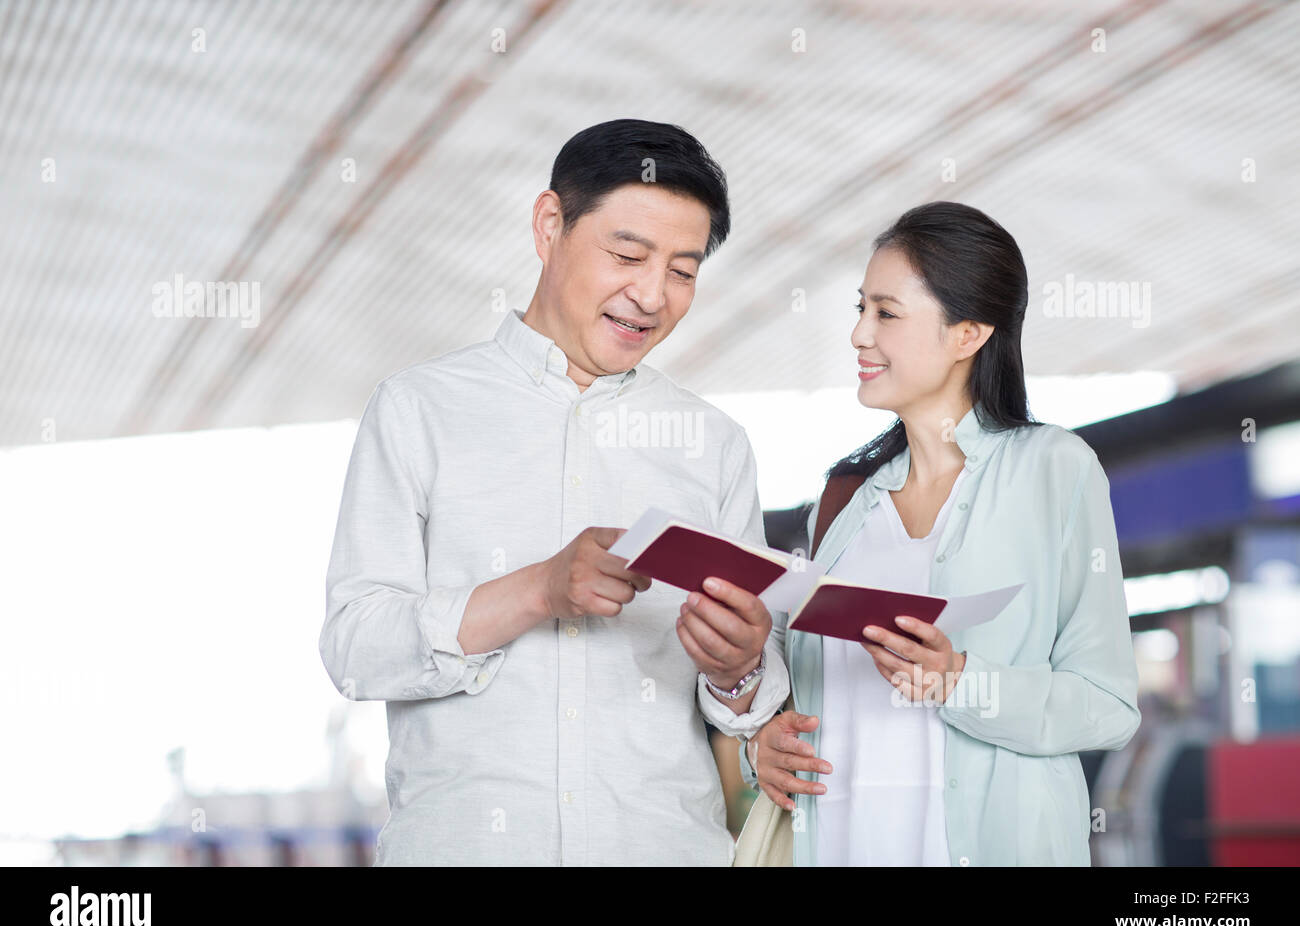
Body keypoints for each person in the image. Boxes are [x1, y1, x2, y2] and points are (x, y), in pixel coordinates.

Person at [318, 118, 790, 865]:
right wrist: (538, 589)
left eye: (683, 270)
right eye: (628, 254)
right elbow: (354, 649)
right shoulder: (418, 410)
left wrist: (741, 670)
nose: (651, 294)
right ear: (549, 225)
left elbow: (747, 706)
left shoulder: (713, 444)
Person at [740, 201, 1141, 866]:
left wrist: (958, 680)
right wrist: (764, 746)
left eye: (886, 313)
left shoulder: (1053, 471)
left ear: (969, 333)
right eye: (859, 308)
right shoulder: (841, 499)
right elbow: (787, 694)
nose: (858, 335)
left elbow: (1106, 707)